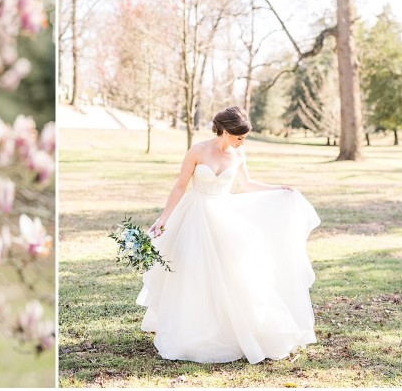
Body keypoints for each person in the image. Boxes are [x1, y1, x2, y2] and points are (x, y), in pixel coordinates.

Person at [137, 106, 320, 364]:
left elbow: (246, 185)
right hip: (195, 215)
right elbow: (180, 186)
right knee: (193, 272)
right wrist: (164, 219)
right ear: (225, 130)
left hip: (224, 216)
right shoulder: (198, 151)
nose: (241, 142)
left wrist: (278, 188)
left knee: (233, 273)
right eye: (239, 137)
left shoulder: (238, 154)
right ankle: (191, 330)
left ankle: (229, 331)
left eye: (243, 138)